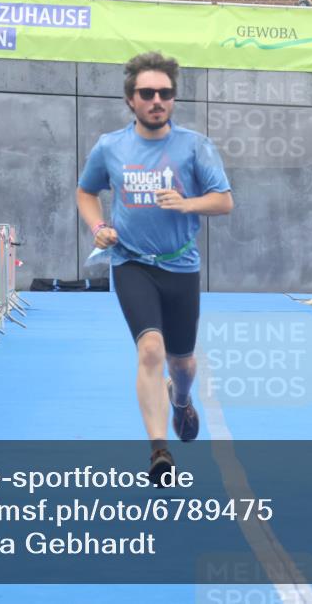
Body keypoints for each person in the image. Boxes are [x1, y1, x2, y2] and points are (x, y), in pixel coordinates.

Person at [76, 51, 233, 486]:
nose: (156, 100)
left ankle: (180, 400)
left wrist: (187, 203)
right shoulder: (110, 146)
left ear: (173, 99)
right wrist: (99, 226)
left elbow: (223, 200)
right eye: (147, 93)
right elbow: (86, 192)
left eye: (165, 93)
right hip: (131, 263)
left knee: (182, 364)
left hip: (180, 267)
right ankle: (159, 450)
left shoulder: (194, 146)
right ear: (131, 100)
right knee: (150, 351)